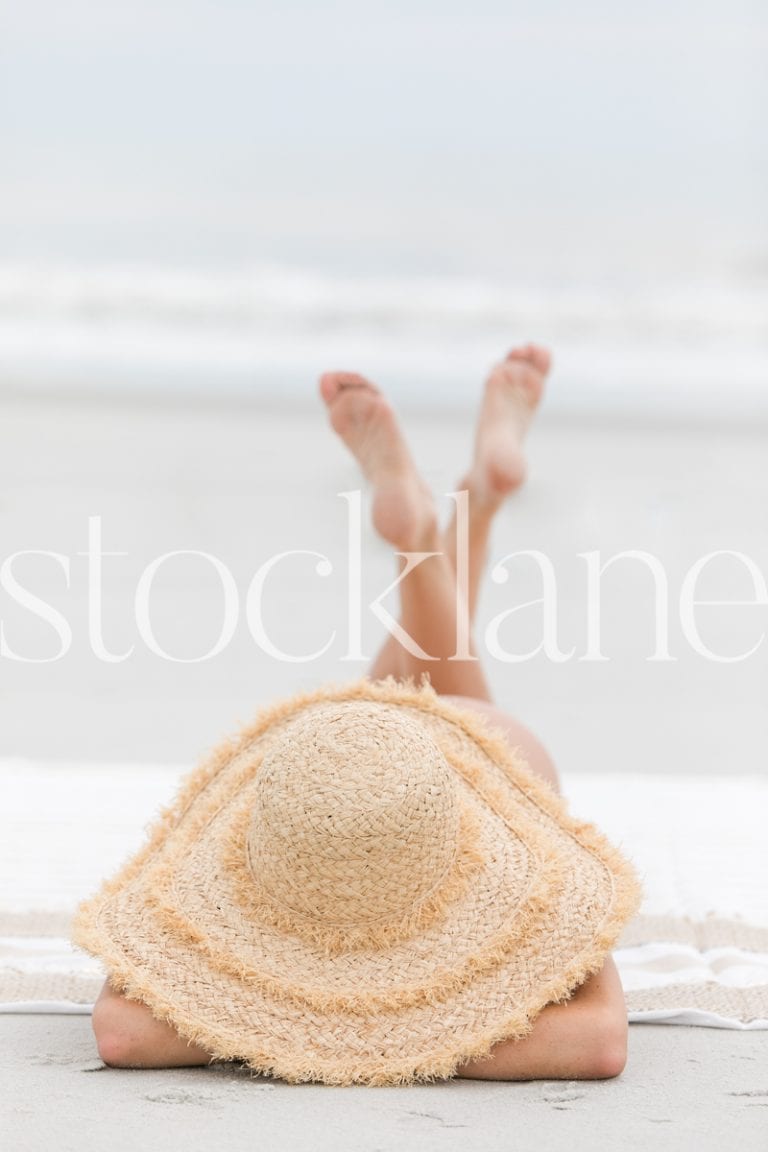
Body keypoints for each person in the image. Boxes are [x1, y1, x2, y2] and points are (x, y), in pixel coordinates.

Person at [83, 345, 637, 1083]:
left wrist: (309, 1035)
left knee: (408, 708)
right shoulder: (348, 790)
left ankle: (456, 516)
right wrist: (403, 1038)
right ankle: (453, 518)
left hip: (348, 799)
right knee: (433, 698)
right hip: (484, 761)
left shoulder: (312, 803)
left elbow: (121, 1031)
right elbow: (599, 1039)